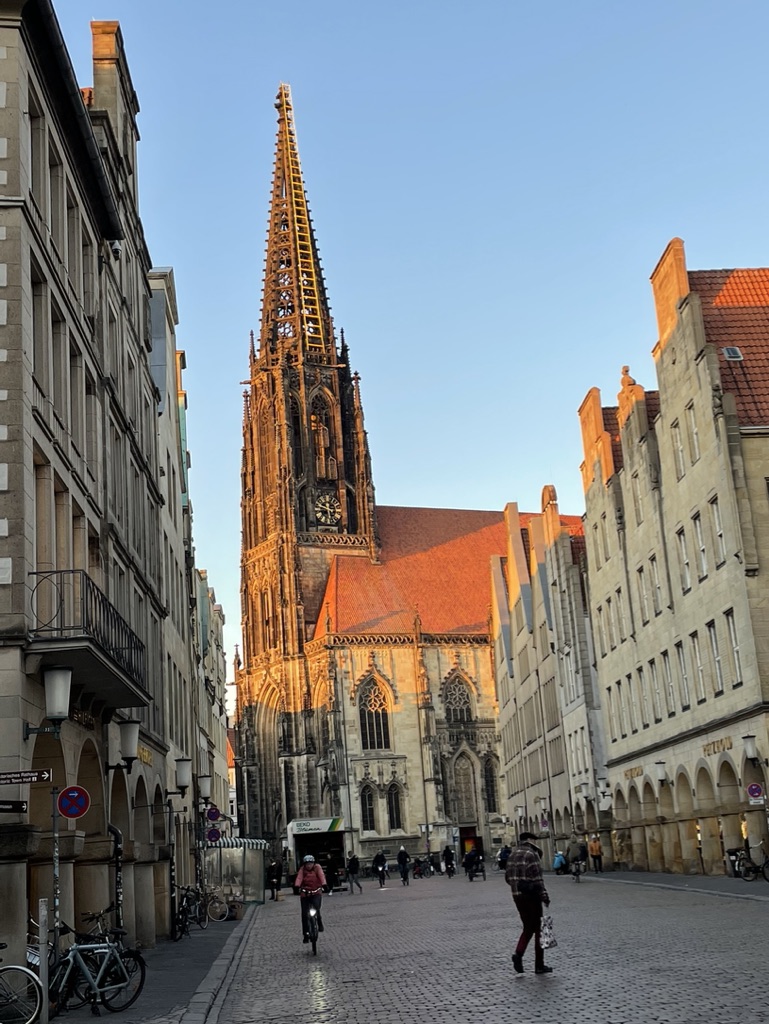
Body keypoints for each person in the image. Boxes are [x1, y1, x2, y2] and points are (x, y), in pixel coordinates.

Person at [505, 831, 552, 975]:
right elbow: (538, 878)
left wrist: (517, 885)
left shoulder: (512, 854)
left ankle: (518, 954)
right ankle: (539, 965)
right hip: (532, 896)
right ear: (530, 840)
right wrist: (544, 896)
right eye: (534, 839)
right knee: (539, 930)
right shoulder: (531, 854)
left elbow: (508, 878)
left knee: (528, 927)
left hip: (517, 896)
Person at [293, 854, 326, 943]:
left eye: (310, 863)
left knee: (316, 907)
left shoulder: (317, 868)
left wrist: (324, 884)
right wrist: (297, 886)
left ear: (313, 863)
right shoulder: (302, 870)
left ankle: (319, 922)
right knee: (304, 914)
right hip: (305, 893)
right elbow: (299, 878)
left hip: (316, 892)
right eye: (307, 864)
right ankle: (306, 934)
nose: (308, 865)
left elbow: (321, 876)